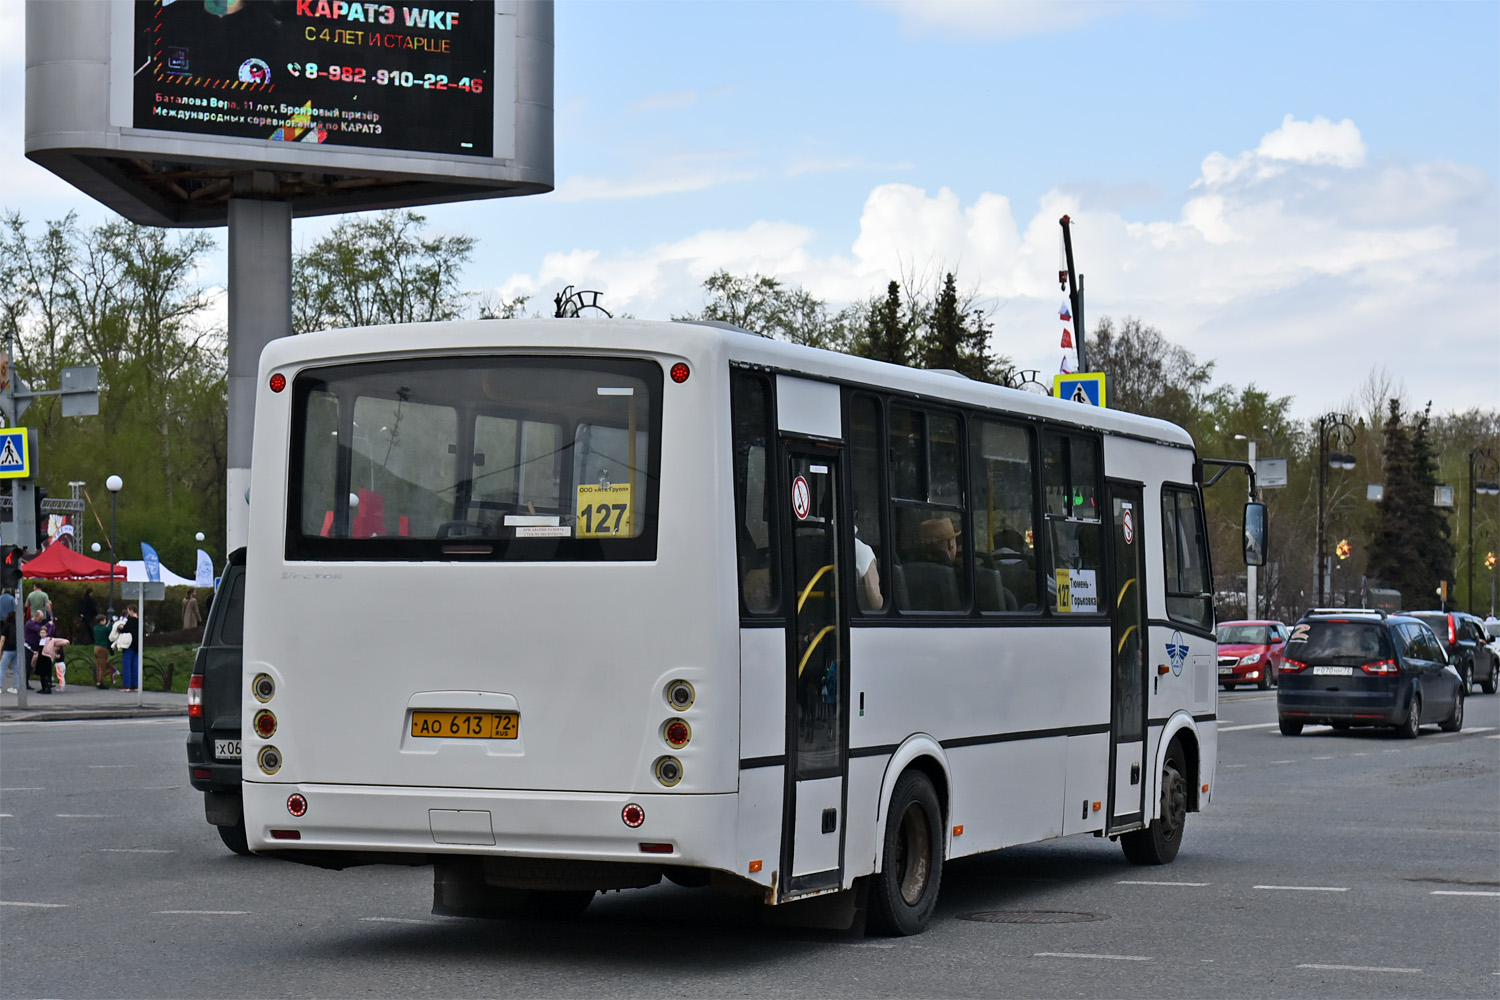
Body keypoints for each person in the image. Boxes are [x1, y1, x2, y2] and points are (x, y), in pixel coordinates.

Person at [112, 606, 140, 692]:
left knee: (127, 665)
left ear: (131, 611)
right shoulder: (140, 621)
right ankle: (135, 685)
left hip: (129, 645)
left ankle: (126, 685)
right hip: (137, 646)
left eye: (128, 611)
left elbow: (125, 630)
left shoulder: (131, 620)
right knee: (135, 666)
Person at [25, 610, 50, 694]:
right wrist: (49, 625)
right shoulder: (30, 624)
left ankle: (45, 682)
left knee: (33, 666)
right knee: (28, 665)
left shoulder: (35, 623)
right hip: (30, 647)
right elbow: (40, 630)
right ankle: (25, 682)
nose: (41, 621)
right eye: (40, 619)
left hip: (36, 647)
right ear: (35, 616)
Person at [41, 625, 69, 692]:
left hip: (59, 664)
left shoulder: (59, 651)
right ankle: (53, 680)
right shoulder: (61, 651)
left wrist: (53, 654)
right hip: (61, 664)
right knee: (58, 674)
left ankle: (62, 686)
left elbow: (58, 656)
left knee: (60, 675)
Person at [0, 608, 18, 693]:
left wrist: (0, 649)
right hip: (16, 650)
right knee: (16, 669)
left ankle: (0, 686)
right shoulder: (18, 626)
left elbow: (2, 639)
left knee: (2, 668)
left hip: (7, 650)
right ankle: (15, 687)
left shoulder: (6, 626)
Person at [93, 614, 112, 689]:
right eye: (104, 620)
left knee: (98, 665)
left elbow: (103, 629)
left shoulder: (95, 628)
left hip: (96, 647)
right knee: (102, 666)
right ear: (101, 621)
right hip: (103, 647)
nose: (105, 621)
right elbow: (110, 632)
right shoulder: (105, 629)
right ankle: (100, 682)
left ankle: (97, 679)